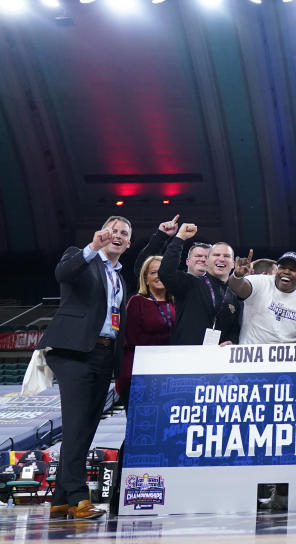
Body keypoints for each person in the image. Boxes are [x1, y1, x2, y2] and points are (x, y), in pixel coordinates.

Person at [39, 216, 132, 519]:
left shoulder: (120, 276)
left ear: (128, 243)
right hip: (75, 354)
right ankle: (79, 498)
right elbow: (62, 273)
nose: (117, 236)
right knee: (77, 425)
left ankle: (60, 499)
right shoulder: (80, 256)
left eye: (124, 234)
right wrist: (92, 247)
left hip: (104, 355)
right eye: (114, 230)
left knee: (85, 428)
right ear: (103, 233)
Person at [159, 223, 242, 345]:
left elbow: (234, 329)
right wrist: (180, 237)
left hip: (217, 359)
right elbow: (165, 272)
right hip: (186, 358)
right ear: (207, 261)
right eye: (216, 255)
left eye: (227, 256)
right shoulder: (190, 283)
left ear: (233, 264)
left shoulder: (234, 294)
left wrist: (232, 342)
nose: (221, 259)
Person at [229, 251, 296, 344]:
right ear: (277, 270)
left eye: (293, 270)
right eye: (282, 267)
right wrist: (237, 275)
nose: (286, 272)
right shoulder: (260, 282)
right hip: (252, 355)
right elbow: (238, 287)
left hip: (287, 357)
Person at [116, 255, 174, 404]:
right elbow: (131, 339)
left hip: (171, 372)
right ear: (146, 279)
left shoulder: (177, 303)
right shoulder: (137, 302)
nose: (158, 276)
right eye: (153, 272)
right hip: (139, 374)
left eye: (162, 271)